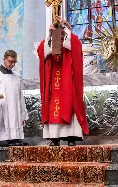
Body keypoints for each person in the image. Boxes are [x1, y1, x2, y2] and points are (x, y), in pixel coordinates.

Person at [37, 16, 89, 146]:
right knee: (53, 106)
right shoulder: (50, 41)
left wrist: (65, 27)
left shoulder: (72, 41)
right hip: (53, 81)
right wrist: (50, 35)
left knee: (70, 104)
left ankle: (71, 137)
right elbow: (42, 52)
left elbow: (75, 45)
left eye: (63, 26)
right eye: (59, 27)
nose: (60, 29)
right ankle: (54, 138)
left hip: (68, 81)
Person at [0, 50, 29, 146]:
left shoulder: (17, 76)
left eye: (14, 62)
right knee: (1, 136)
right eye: (10, 61)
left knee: (15, 140)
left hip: (15, 109)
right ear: (4, 59)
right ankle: (1, 138)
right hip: (1, 111)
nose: (12, 64)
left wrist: (23, 115)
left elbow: (20, 97)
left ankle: (14, 137)